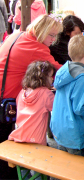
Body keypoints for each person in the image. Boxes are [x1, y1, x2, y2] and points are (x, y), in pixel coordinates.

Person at [0, 14, 62, 179]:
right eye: (51, 34)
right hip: (5, 100)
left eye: (56, 35)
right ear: (41, 30)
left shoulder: (16, 35)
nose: (53, 39)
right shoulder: (36, 47)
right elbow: (59, 72)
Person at [50, 35, 84, 158]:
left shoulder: (65, 70)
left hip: (60, 128)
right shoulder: (82, 77)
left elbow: (74, 87)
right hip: (74, 133)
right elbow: (81, 108)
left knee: (64, 165)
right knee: (77, 170)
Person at [9, 61, 55, 146]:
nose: (52, 79)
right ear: (42, 78)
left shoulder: (22, 92)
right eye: (50, 76)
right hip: (36, 140)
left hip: (19, 136)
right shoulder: (46, 94)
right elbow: (58, 109)